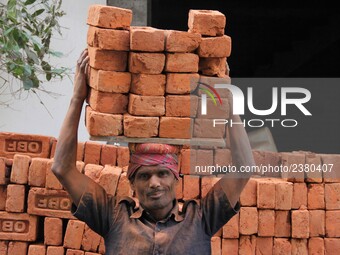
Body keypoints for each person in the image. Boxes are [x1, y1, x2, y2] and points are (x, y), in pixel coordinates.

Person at [52, 49, 255, 255]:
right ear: (131, 182)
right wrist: (77, 98)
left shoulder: (201, 219)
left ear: (177, 178)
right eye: (144, 176)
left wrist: (226, 104)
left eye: (162, 173)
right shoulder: (113, 218)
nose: (154, 183)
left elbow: (244, 168)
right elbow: (61, 168)